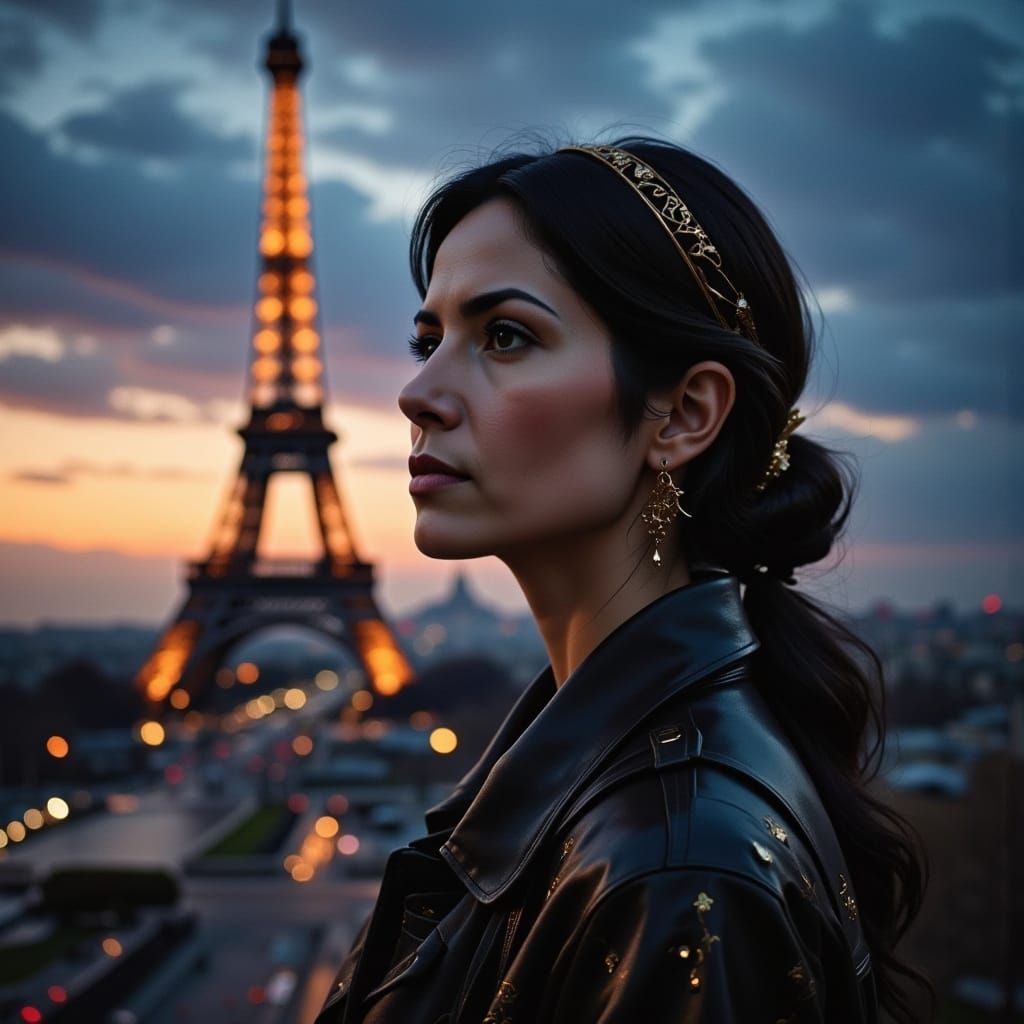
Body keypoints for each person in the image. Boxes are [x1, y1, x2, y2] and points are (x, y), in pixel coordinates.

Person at [313, 137, 932, 1024]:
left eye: (505, 336)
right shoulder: (656, 819)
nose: (417, 393)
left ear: (683, 415)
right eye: (428, 339)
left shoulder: (675, 874)